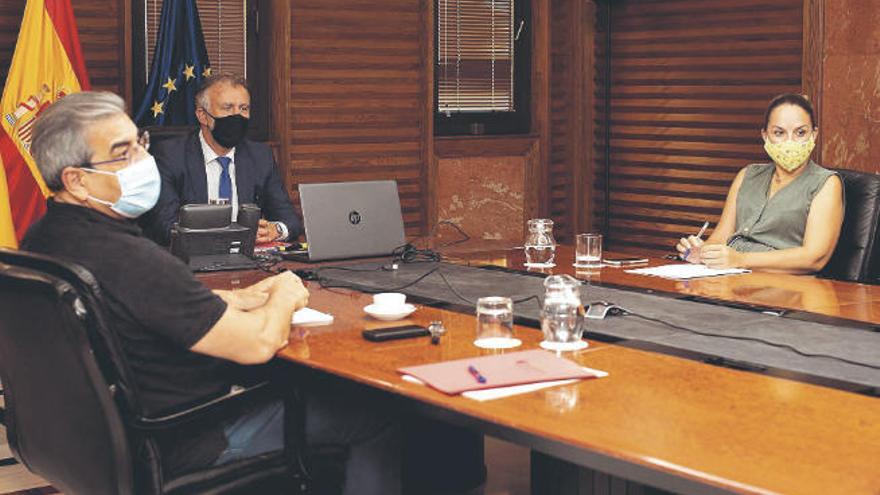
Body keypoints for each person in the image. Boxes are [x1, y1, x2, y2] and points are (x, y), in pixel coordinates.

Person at [22, 91, 400, 494]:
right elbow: (256, 344)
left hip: (96, 441)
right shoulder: (131, 259)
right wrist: (286, 294)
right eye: (122, 153)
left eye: (140, 143)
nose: (142, 161)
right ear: (77, 180)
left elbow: (138, 309)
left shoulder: (44, 238)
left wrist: (240, 298)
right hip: (188, 437)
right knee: (374, 413)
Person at [675, 93, 844, 274]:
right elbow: (720, 238)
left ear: (814, 134)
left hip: (784, 287)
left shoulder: (826, 183)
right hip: (729, 279)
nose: (789, 141)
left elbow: (814, 258)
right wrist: (702, 251)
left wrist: (741, 260)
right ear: (765, 135)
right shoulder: (747, 175)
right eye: (779, 133)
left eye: (800, 133)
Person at [140, 74, 302, 246]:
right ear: (203, 115)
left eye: (243, 108)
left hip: (249, 260)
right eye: (227, 108)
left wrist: (275, 230)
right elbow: (165, 226)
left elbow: (289, 219)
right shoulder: (170, 155)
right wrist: (221, 239)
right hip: (192, 260)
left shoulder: (260, 156)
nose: (237, 116)